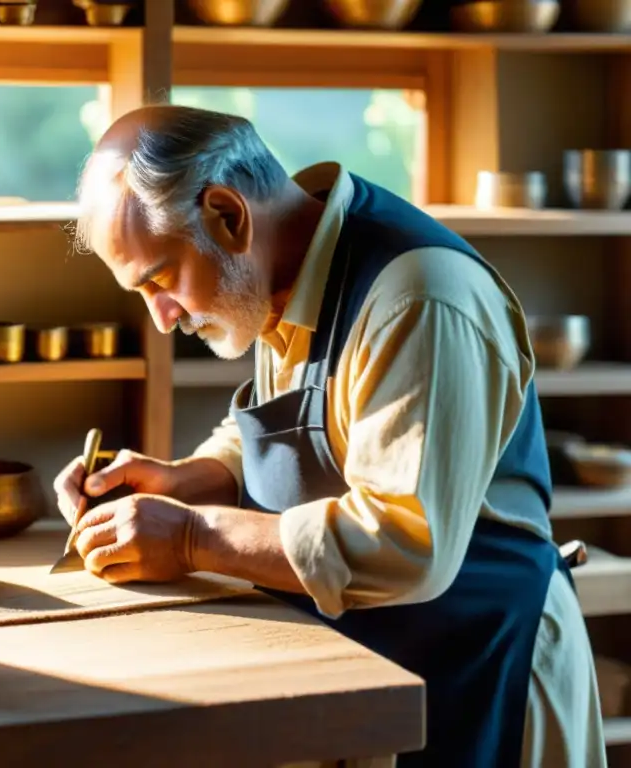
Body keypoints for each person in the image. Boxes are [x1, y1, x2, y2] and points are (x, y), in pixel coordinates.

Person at [53, 104, 606, 768]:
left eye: (162, 281)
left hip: (491, 661)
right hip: (386, 661)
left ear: (229, 215)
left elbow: (404, 541)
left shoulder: (419, 300)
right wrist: (188, 479)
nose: (163, 320)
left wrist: (191, 537)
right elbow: (294, 417)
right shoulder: (276, 274)